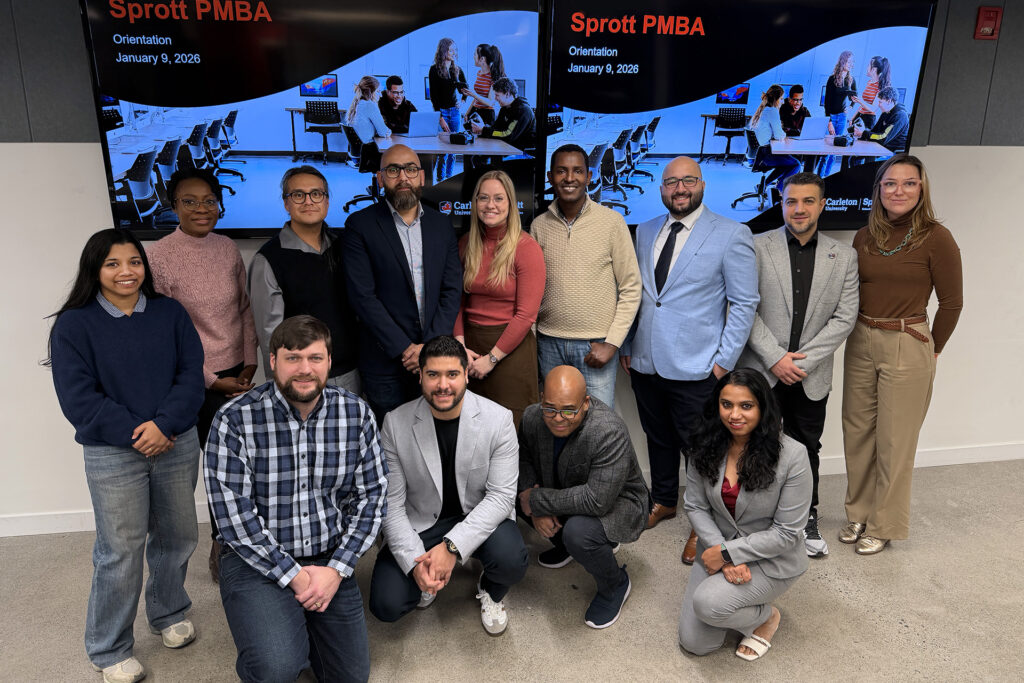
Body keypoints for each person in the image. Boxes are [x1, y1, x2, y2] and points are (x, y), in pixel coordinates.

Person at [47, 229, 204, 683]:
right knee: (119, 550)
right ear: (94, 270)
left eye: (134, 261)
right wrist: (141, 433)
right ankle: (110, 646)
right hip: (114, 452)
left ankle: (169, 612)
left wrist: (165, 425)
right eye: (112, 263)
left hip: (175, 441)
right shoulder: (74, 325)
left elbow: (191, 375)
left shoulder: (170, 313)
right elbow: (79, 399)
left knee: (177, 535)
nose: (126, 272)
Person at [205, 315, 386, 683]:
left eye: (315, 358)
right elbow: (234, 518)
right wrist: (296, 579)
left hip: (328, 556)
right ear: (272, 361)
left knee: (351, 677)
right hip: (255, 561)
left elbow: (371, 499)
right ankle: (277, 643)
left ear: (330, 362)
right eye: (293, 358)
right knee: (276, 668)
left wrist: (336, 570)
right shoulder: (234, 419)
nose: (305, 369)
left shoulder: (356, 413)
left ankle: (296, 632)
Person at [620, 155, 758, 568]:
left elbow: (744, 303)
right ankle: (663, 500)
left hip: (699, 367)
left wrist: (721, 363)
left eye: (688, 181)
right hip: (645, 361)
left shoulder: (731, 233)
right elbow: (636, 293)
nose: (679, 189)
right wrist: (628, 346)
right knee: (657, 436)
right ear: (661, 189)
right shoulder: (643, 231)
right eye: (671, 182)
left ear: (702, 185)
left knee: (701, 450)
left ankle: (707, 524)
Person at [841, 154, 962, 555]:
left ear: (921, 188)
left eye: (909, 183)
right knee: (857, 432)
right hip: (861, 338)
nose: (898, 191)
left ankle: (885, 523)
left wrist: (933, 348)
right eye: (890, 183)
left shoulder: (936, 237)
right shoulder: (864, 235)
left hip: (906, 339)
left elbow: (952, 303)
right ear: (878, 189)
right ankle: (857, 512)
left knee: (896, 441)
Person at [369, 336, 527, 635]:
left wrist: (452, 548)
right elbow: (391, 503)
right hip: (423, 522)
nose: (443, 385)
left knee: (511, 561)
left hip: (476, 516)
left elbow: (501, 498)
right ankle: (427, 580)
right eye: (433, 375)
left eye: (452, 374)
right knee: (385, 605)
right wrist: (416, 565)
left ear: (467, 374)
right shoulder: (394, 423)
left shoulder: (499, 420)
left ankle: (490, 590)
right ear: (420, 376)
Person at [737, 172, 859, 558]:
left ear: (822, 205)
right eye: (791, 201)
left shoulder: (845, 256)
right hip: (762, 369)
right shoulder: (755, 247)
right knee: (754, 444)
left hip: (810, 373)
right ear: (781, 202)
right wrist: (775, 358)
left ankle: (806, 517)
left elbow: (845, 316)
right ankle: (751, 520)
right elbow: (744, 307)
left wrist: (799, 361)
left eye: (808, 201)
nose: (799, 209)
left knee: (806, 447)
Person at [147, 167, 258, 582]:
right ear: (172, 205)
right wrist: (211, 380)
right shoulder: (158, 256)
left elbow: (244, 308)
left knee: (240, 466)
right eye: (189, 201)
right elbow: (166, 331)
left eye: (209, 200)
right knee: (207, 469)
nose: (201, 209)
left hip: (238, 373)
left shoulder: (227, 246)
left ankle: (235, 538)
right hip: (191, 377)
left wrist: (249, 362)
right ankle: (219, 545)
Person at [678, 369, 811, 661]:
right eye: (727, 404)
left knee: (708, 604)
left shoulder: (794, 456)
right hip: (716, 547)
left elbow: (787, 533)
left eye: (746, 406)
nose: (734, 415)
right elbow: (696, 505)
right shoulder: (704, 444)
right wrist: (720, 553)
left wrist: (728, 553)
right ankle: (750, 610)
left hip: (771, 559)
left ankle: (766, 617)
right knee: (696, 644)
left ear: (763, 408)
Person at [518, 366, 651, 629]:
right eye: (550, 408)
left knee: (579, 533)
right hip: (565, 488)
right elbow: (524, 459)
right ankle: (566, 547)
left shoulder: (608, 430)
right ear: (542, 399)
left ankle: (615, 585)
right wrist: (530, 500)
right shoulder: (533, 416)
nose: (558, 418)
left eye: (569, 409)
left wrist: (535, 501)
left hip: (617, 501)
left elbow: (596, 500)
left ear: (586, 403)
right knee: (509, 493)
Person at [343, 144, 463, 420]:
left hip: (435, 360)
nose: (403, 177)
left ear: (422, 176)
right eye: (393, 170)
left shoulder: (441, 224)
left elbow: (451, 289)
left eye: (410, 169)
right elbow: (362, 296)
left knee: (433, 434)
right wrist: (405, 349)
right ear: (380, 178)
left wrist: (428, 346)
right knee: (391, 441)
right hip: (384, 361)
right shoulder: (360, 225)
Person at [531, 143, 641, 408]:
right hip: (548, 345)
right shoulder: (538, 226)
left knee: (599, 427)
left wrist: (612, 344)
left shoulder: (612, 222)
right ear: (550, 177)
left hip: (596, 346)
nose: (570, 178)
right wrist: (533, 341)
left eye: (577, 171)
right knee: (555, 423)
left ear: (589, 176)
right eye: (561, 171)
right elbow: (531, 290)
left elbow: (631, 288)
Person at [249, 165, 361, 395]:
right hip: (301, 378)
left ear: (327, 202)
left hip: (351, 372)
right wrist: (279, 385)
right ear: (286, 204)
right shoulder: (268, 259)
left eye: (316, 194)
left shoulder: (345, 247)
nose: (308, 201)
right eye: (298, 195)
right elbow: (270, 334)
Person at [454, 170, 545, 428]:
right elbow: (456, 302)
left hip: (509, 352)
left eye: (498, 198)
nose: (490, 205)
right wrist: (460, 347)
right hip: (469, 350)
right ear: (475, 203)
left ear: (510, 203)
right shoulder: (464, 245)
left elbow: (526, 315)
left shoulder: (526, 248)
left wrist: (492, 359)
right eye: (483, 198)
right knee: (472, 432)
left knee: (510, 433)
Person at [427, 37, 468, 181]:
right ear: (443, 50)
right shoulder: (434, 70)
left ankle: (449, 178)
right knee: (443, 148)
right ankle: (440, 179)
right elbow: (434, 97)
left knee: (454, 148)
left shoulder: (457, 69)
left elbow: (466, 88)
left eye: (455, 50)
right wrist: (440, 118)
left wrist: (462, 102)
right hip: (442, 112)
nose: (454, 52)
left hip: (455, 112)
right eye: (451, 50)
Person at [748, 85, 800, 195]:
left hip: (760, 155)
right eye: (781, 99)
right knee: (796, 164)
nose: (782, 102)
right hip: (766, 155)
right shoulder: (772, 111)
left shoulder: (763, 109)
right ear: (776, 99)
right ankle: (779, 191)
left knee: (786, 163)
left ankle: (763, 186)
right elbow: (779, 136)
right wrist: (784, 134)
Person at [470, 77, 536, 153]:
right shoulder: (505, 108)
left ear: (507, 94)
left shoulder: (522, 111)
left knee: (480, 159)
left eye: (497, 95)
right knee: (477, 157)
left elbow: (507, 135)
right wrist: (482, 128)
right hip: (509, 148)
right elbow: (496, 128)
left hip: (523, 154)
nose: (495, 98)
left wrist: (483, 130)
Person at [820, 50, 858, 177]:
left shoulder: (851, 80)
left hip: (842, 117)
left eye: (852, 62)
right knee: (825, 151)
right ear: (843, 61)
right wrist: (829, 121)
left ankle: (827, 177)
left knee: (835, 150)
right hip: (831, 116)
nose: (851, 64)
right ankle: (819, 178)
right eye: (849, 61)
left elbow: (855, 96)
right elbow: (827, 103)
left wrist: (851, 107)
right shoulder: (832, 79)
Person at [852, 86, 909, 154]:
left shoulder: (900, 116)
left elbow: (883, 138)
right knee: (854, 157)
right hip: (882, 147)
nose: (878, 105)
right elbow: (875, 131)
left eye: (880, 102)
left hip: (893, 153)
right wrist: (861, 132)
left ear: (889, 101)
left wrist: (863, 133)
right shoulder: (885, 113)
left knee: (859, 159)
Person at [463, 43, 505, 126]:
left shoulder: (494, 77)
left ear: (482, 59)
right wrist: (467, 112)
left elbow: (490, 102)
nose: (473, 57)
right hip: (475, 111)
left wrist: (473, 94)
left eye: (475, 54)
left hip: (486, 114)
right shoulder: (479, 73)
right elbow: (477, 97)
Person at [850, 56, 892, 130]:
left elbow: (873, 108)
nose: (867, 68)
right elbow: (863, 104)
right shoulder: (869, 82)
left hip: (868, 119)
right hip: (859, 116)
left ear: (874, 69)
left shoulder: (880, 86)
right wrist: (853, 117)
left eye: (868, 65)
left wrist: (860, 100)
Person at [346, 75, 391, 144]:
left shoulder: (358, 103)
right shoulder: (369, 105)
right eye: (378, 91)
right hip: (368, 149)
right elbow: (384, 133)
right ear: (370, 92)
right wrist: (389, 131)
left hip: (359, 149)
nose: (381, 95)